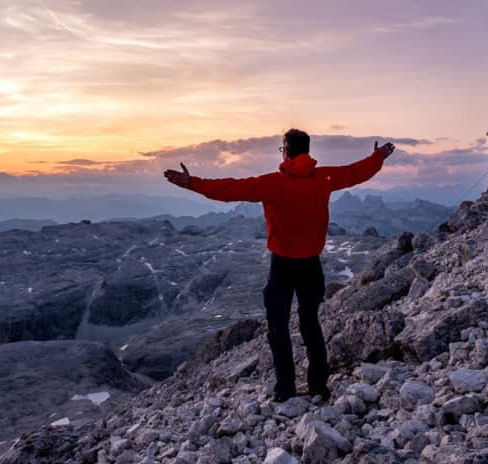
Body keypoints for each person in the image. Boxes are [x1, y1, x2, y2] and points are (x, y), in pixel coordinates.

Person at [164, 129, 395, 402]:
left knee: (278, 327)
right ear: (307, 151)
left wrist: (192, 183)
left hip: (282, 268)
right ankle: (319, 388)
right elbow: (356, 172)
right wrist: (377, 157)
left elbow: (230, 189)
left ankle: (284, 389)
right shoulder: (324, 178)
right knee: (311, 326)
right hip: (311, 266)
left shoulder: (272, 183)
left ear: (286, 151)